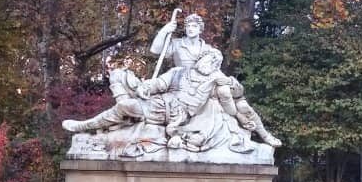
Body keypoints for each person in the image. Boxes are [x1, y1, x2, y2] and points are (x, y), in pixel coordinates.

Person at [63, 48, 281, 149]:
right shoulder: (179, 72)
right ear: (200, 59)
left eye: (215, 63)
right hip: (161, 102)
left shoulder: (215, 79)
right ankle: (85, 126)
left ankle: (85, 126)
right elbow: (159, 84)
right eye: (208, 60)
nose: (210, 64)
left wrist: (231, 84)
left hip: (177, 114)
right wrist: (146, 87)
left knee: (125, 107)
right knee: (124, 101)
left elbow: (237, 93)